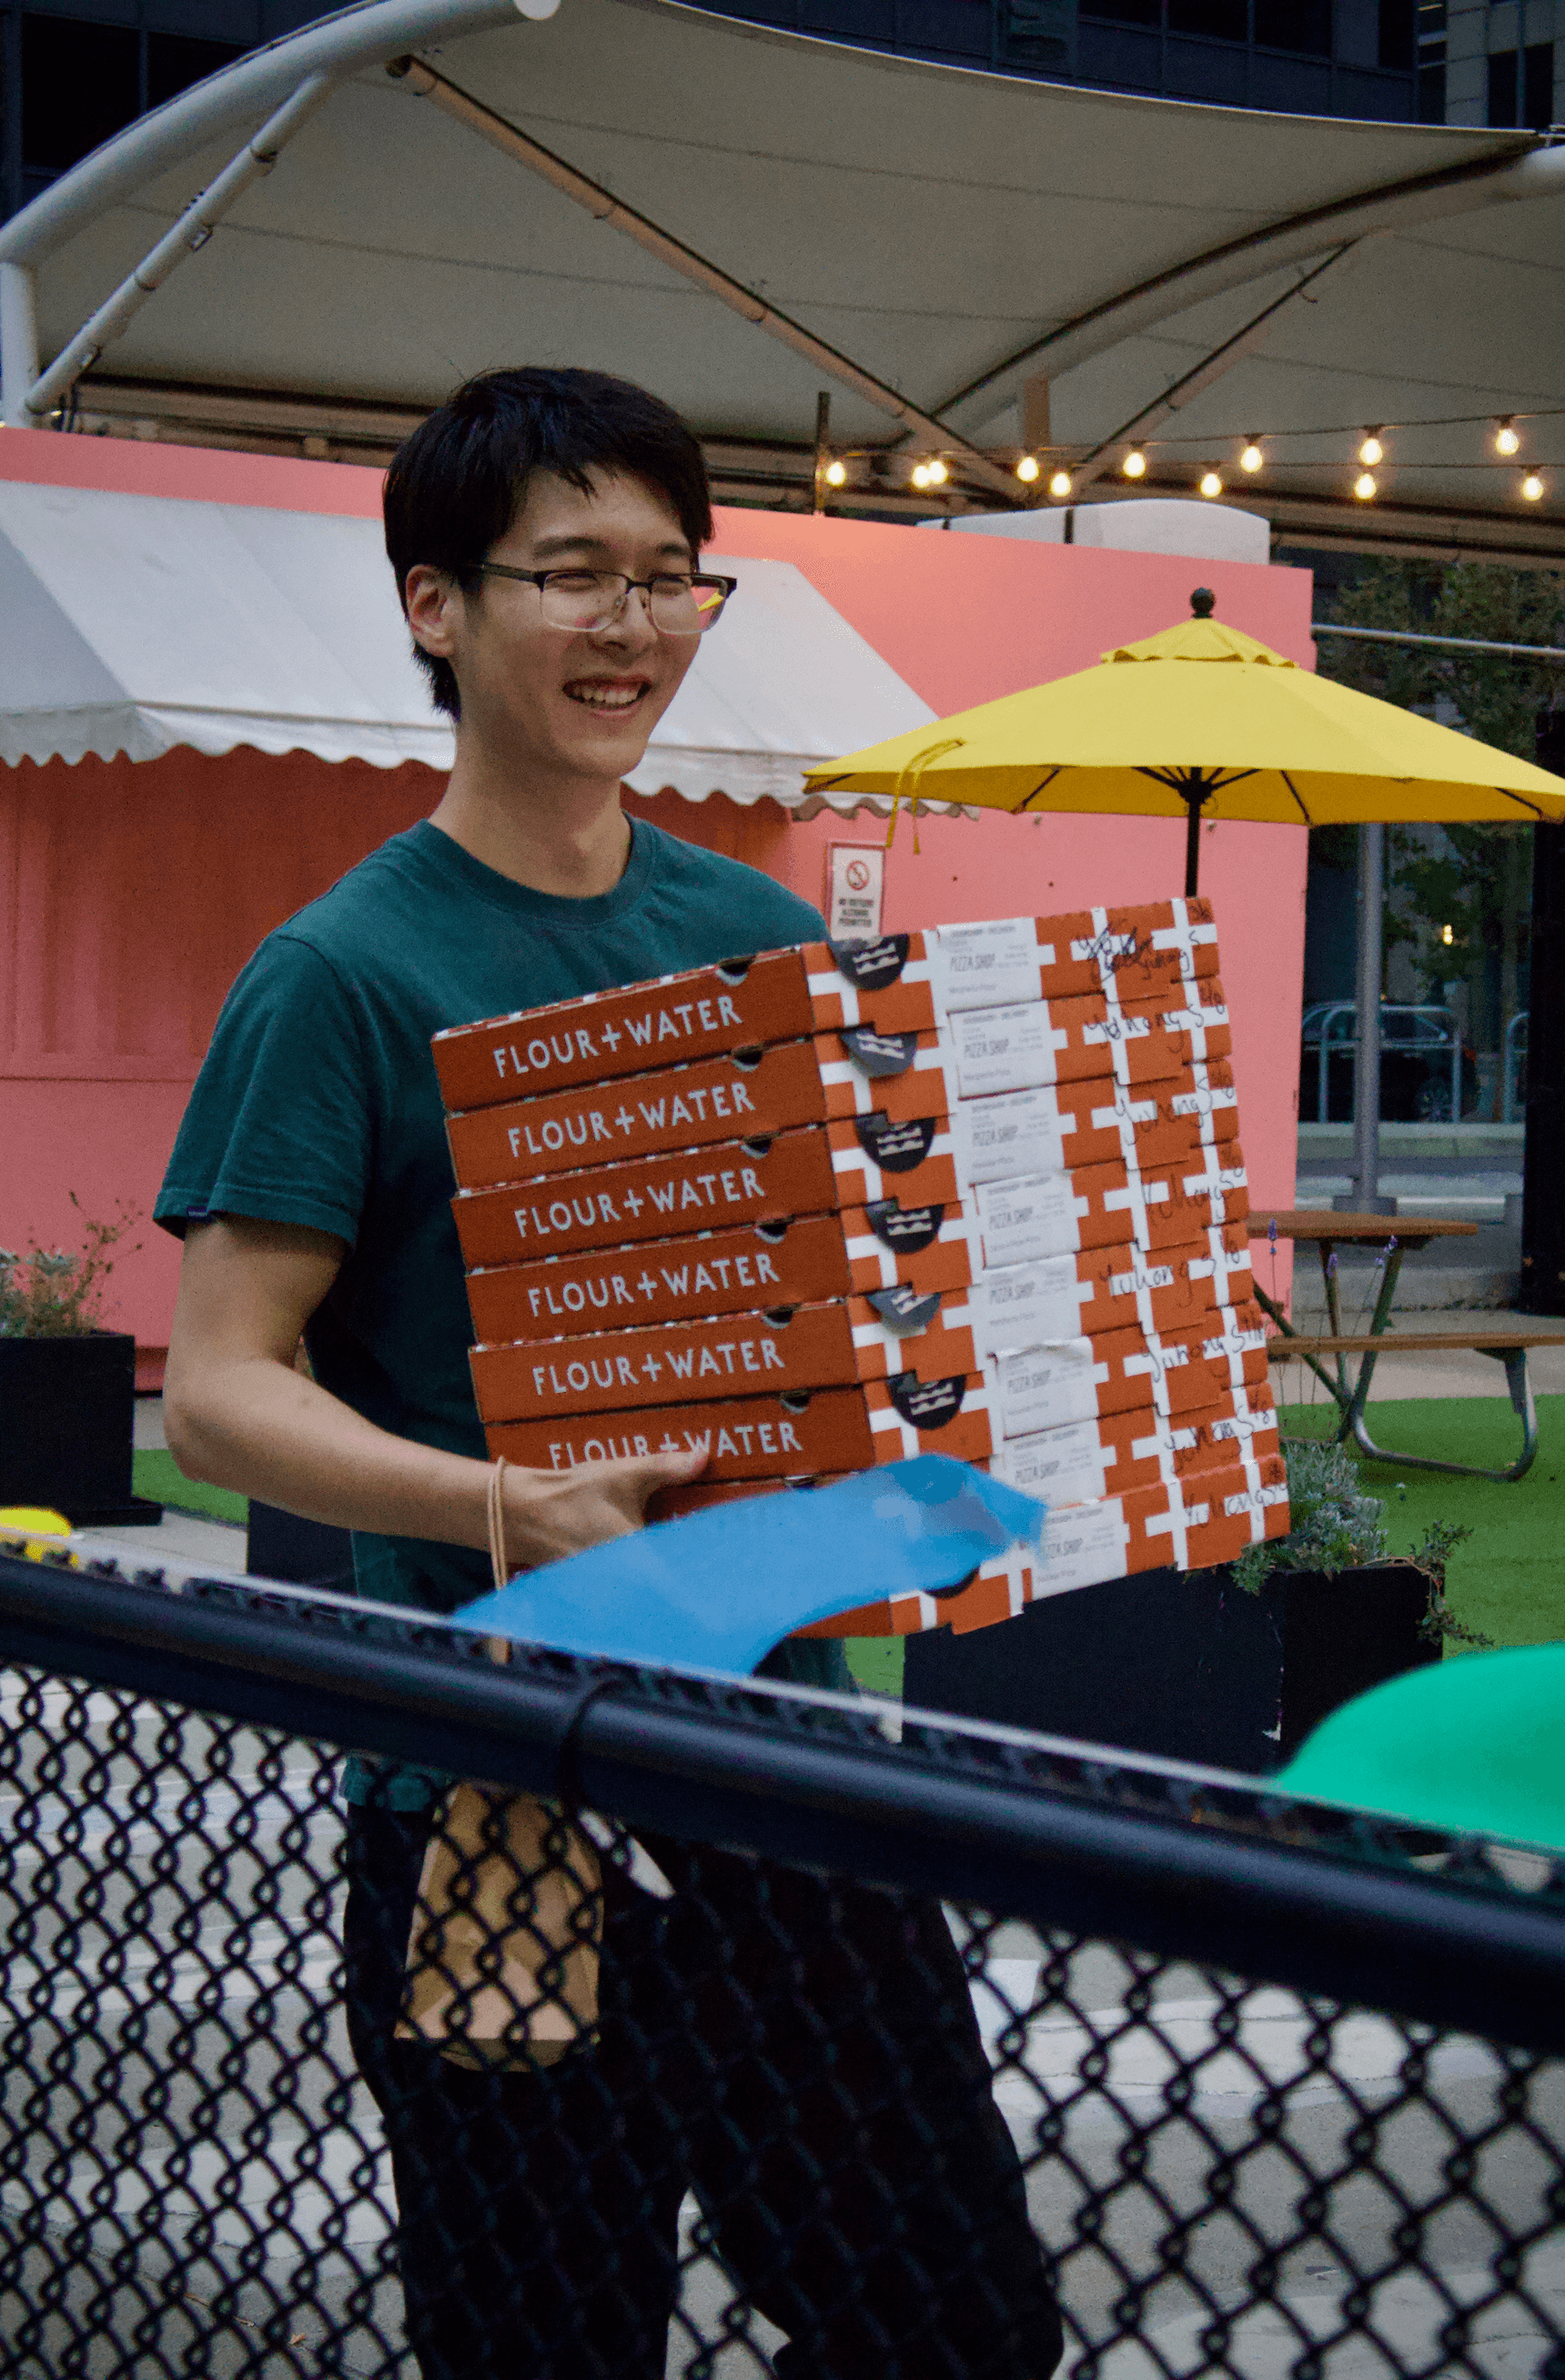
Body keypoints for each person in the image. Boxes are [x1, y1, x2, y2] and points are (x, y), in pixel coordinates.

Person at [157, 366, 1061, 2379]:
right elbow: (223, 1386)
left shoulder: (747, 931)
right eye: (569, 573)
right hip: (496, 1788)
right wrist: (495, 1501)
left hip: (782, 1763)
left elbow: (838, 1318)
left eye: (671, 579)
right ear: (434, 609)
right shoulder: (343, 972)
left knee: (954, 2327)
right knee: (546, 2340)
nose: (632, 625)